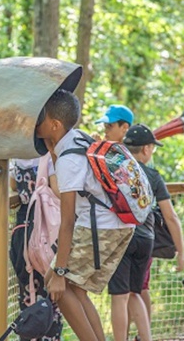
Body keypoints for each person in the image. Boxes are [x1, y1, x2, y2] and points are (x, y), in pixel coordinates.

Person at [37, 89, 135, 341]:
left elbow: (68, 220)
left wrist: (60, 272)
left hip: (99, 226)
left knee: (61, 286)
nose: (36, 123)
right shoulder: (78, 138)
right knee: (77, 290)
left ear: (55, 124)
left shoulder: (69, 161)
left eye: (41, 118)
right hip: (119, 223)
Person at [109, 124, 184, 341]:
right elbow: (171, 216)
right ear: (146, 149)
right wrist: (181, 252)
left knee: (119, 297)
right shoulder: (152, 175)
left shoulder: (116, 171)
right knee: (136, 293)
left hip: (122, 237)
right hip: (146, 239)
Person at [9, 154, 63, 340]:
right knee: (51, 294)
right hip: (44, 234)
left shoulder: (16, 157)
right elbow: (56, 191)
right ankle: (50, 335)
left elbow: (13, 186)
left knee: (27, 291)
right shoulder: (49, 158)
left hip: (22, 232)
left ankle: (28, 333)